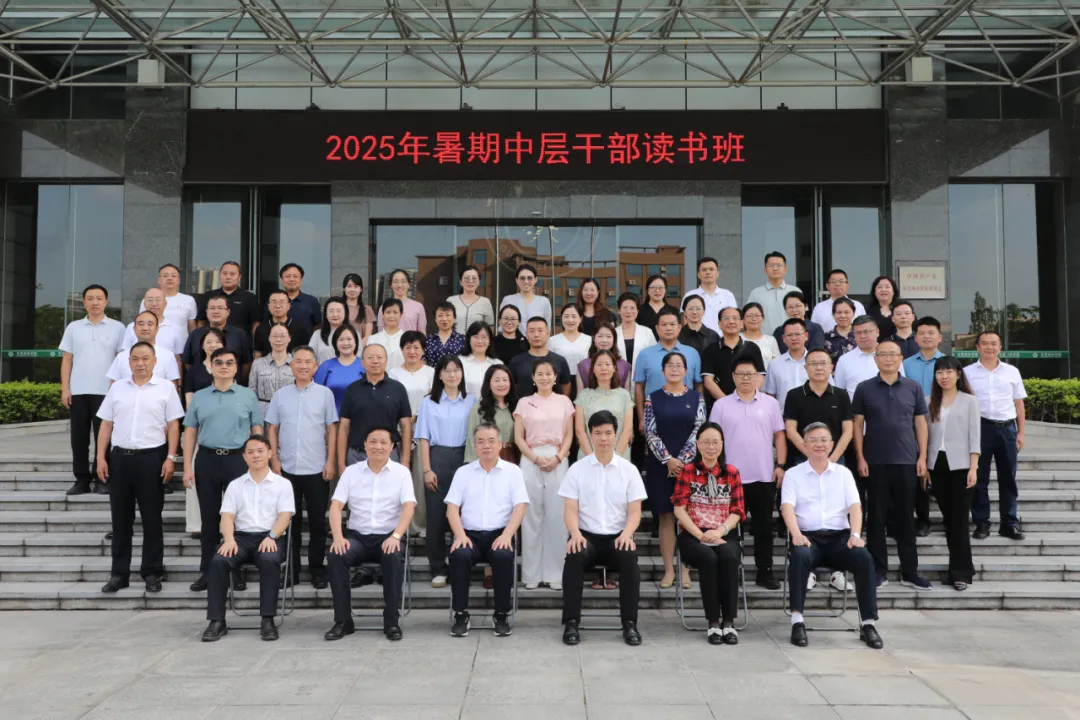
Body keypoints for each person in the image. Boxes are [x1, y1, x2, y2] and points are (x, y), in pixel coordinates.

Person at [782, 422, 882, 650]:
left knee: (864, 557)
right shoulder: (793, 474)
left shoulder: (843, 474)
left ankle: (868, 623)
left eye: (823, 440)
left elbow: (855, 506)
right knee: (799, 556)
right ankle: (797, 621)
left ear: (831, 444)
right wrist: (796, 534)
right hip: (808, 538)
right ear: (804, 445)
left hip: (839, 539)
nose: (819, 444)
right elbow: (787, 507)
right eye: (813, 440)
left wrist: (855, 534)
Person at [96, 342, 184, 594]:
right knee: (120, 520)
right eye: (135, 358)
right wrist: (101, 457)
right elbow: (106, 424)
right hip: (120, 459)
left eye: (145, 358)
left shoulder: (166, 388)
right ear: (129, 362)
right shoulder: (117, 388)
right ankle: (119, 574)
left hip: (152, 459)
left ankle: (152, 572)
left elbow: (174, 425)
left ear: (155, 361)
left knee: (152, 519)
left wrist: (170, 457)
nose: (140, 363)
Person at [560, 410, 646, 647]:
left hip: (618, 537)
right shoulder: (577, 469)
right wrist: (575, 534)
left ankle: (630, 623)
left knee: (629, 560)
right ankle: (571, 622)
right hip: (586, 536)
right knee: (574, 555)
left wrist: (627, 534)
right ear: (591, 435)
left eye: (608, 433)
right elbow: (570, 510)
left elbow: (635, 512)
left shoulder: (629, 470)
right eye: (598, 433)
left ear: (616, 434)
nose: (603, 438)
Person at [323, 426, 415, 642]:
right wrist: (338, 537)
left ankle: (391, 621)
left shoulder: (402, 473)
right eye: (373, 441)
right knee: (336, 555)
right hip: (357, 537)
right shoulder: (351, 472)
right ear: (364, 445)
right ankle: (343, 621)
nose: (378, 446)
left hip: (389, 536)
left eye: (383, 442)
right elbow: (336, 506)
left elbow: (409, 508)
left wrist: (396, 536)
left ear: (392, 447)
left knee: (393, 556)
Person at [183, 348, 264, 592]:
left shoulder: (248, 395)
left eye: (230, 363)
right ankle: (208, 571)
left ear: (237, 368)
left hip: (237, 461)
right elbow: (190, 433)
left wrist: (260, 463)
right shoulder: (200, 397)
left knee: (237, 519)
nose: (224, 367)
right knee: (209, 520)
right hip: (207, 459)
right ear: (210, 366)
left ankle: (234, 569)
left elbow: (256, 430)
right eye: (219, 362)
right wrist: (187, 467)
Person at [852, 339, 931, 590]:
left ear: (900, 359)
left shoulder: (913, 387)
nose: (888, 358)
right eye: (883, 354)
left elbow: (920, 423)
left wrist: (922, 457)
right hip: (874, 462)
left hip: (906, 461)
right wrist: (860, 457)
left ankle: (910, 572)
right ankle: (878, 570)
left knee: (906, 518)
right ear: (876, 359)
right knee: (876, 518)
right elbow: (857, 425)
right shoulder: (864, 388)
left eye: (893, 354)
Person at [201, 435, 295, 642]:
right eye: (251, 452)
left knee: (269, 560)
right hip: (240, 538)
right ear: (244, 456)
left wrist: (272, 536)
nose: (256, 455)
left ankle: (267, 619)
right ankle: (216, 621)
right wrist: (228, 539)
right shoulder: (235, 485)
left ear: (270, 453)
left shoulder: (283, 484)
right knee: (218, 561)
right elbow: (227, 517)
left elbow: (285, 517)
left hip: (270, 536)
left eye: (260, 451)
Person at [446, 422, 530, 638]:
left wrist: (507, 535)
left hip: (500, 533)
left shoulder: (513, 472)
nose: (486, 446)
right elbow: (452, 508)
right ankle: (460, 614)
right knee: (459, 555)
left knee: (503, 556)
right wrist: (460, 535)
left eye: (491, 441)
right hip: (469, 535)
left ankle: (501, 615)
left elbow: (520, 506)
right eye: (481, 442)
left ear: (500, 444)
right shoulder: (463, 472)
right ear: (474, 446)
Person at [266, 346, 338, 590]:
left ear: (315, 367)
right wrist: (274, 460)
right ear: (292, 365)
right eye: (299, 361)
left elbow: (332, 429)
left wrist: (330, 461)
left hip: (317, 467)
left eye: (308, 362)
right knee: (290, 524)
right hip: (287, 469)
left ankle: (317, 569)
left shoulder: (325, 394)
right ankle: (292, 570)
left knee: (317, 523)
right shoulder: (280, 395)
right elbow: (272, 428)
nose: (303, 366)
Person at [711, 357, 786, 589]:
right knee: (730, 530)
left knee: (764, 528)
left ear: (759, 377)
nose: (746, 378)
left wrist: (781, 465)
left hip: (763, 476)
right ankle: (731, 571)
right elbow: (713, 439)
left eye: (750, 374)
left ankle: (765, 572)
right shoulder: (721, 405)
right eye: (741, 374)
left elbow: (779, 436)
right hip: (730, 478)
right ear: (733, 377)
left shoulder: (770, 404)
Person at [672, 422, 745, 644]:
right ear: (698, 444)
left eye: (715, 442)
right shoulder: (688, 472)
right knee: (708, 558)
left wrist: (720, 530)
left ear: (722, 444)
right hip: (693, 535)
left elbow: (737, 510)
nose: (711, 447)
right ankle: (713, 622)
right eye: (706, 442)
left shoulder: (731, 473)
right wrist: (700, 535)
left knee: (729, 557)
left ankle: (729, 622)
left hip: (724, 534)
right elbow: (679, 509)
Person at [645, 351, 705, 589]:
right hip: (661, 467)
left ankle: (685, 569)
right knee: (666, 517)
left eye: (679, 365)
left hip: (689, 467)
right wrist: (668, 460)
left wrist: (682, 461)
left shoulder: (697, 398)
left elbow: (699, 431)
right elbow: (650, 432)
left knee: (687, 517)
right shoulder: (652, 398)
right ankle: (669, 569)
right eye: (669, 365)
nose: (674, 369)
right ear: (663, 371)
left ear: (686, 371)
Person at [514, 358, 575, 590]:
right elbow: (518, 437)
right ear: (533, 377)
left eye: (549, 373)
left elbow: (569, 435)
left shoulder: (564, 402)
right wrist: (535, 458)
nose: (544, 377)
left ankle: (555, 573)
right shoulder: (524, 403)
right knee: (531, 516)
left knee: (557, 516)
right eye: (540, 374)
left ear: (555, 376)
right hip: (531, 458)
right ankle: (531, 574)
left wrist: (558, 458)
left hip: (558, 457)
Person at [59, 284, 126, 496]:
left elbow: (122, 360)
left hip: (106, 392)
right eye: (90, 298)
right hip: (78, 391)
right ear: (84, 302)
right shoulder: (74, 327)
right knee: (78, 438)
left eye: (99, 298)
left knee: (104, 438)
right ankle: (81, 480)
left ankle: (102, 479)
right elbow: (67, 359)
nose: (95, 302)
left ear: (106, 302)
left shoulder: (118, 328)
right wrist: (65, 388)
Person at [416, 355, 476, 589]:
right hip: (437, 457)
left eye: (456, 370)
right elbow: (423, 438)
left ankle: (461, 564)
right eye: (447, 370)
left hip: (465, 458)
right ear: (439, 374)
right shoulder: (428, 403)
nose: (452, 375)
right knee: (436, 516)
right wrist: (427, 469)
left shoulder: (472, 401)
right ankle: (438, 568)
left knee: (464, 514)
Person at [963, 330, 1027, 541]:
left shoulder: (1012, 372)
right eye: (985, 343)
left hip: (1007, 429)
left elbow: (1019, 403)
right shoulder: (967, 373)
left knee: (1008, 478)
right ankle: (982, 523)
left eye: (993, 343)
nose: (989, 347)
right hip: (980, 428)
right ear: (977, 347)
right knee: (979, 479)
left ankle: (1009, 523)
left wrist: (1021, 433)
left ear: (1000, 347)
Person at [927, 356, 981, 590]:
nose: (944, 376)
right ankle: (959, 568)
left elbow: (975, 436)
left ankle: (961, 574)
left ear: (958, 374)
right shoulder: (929, 401)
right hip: (937, 465)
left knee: (959, 520)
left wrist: (974, 467)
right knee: (949, 520)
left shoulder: (969, 401)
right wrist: (925, 467)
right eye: (940, 372)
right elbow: (925, 437)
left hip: (961, 465)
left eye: (949, 371)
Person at [337, 343, 413, 469]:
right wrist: (341, 463)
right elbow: (344, 427)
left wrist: (405, 461)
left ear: (386, 361)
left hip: (390, 456)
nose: (375, 361)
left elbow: (406, 426)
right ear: (362, 362)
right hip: (357, 456)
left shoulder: (398, 389)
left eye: (379, 357)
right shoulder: (352, 389)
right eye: (370, 357)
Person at [388, 331, 434, 533]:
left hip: (424, 432)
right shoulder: (393, 373)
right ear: (401, 350)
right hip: (399, 431)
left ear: (423, 350)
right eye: (408, 347)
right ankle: (398, 523)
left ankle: (419, 524)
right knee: (398, 477)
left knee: (419, 479)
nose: (412, 351)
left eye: (416, 347)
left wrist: (418, 416)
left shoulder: (431, 373)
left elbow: (433, 400)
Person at [635, 306, 702, 436]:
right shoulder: (645, 355)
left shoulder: (692, 353)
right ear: (657, 328)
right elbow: (639, 387)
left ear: (679, 327)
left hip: (687, 415)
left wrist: (699, 414)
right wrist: (642, 418)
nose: (668, 328)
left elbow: (698, 385)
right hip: (654, 416)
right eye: (664, 325)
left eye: (672, 324)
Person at [783, 348, 853, 468]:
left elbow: (848, 431)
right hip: (803, 459)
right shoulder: (794, 395)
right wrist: (812, 456)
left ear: (831, 367)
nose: (819, 368)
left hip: (835, 459)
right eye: (813, 364)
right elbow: (791, 430)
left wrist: (832, 459)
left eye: (823, 363)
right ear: (806, 368)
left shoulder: (841, 395)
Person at [575, 350, 634, 461]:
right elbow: (580, 430)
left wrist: (616, 457)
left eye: (607, 364)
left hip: (619, 456)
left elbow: (627, 429)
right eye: (599, 364)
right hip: (588, 457)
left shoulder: (624, 395)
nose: (604, 368)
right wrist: (592, 458)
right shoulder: (583, 395)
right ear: (593, 369)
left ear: (614, 368)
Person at [834, 315, 906, 401]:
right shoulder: (844, 360)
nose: (862, 336)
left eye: (866, 331)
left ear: (877, 332)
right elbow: (838, 391)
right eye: (858, 332)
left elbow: (901, 385)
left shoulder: (892, 356)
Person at [183, 294, 253, 380]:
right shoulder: (195, 334)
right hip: (201, 385)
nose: (216, 311)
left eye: (220, 308)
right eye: (212, 308)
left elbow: (246, 363)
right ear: (207, 311)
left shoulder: (240, 334)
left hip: (231, 384)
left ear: (228, 312)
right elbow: (188, 362)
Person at [106, 311, 181, 385]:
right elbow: (113, 387)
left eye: (150, 324)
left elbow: (172, 388)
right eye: (141, 324)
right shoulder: (122, 357)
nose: (145, 328)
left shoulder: (168, 356)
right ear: (134, 329)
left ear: (157, 329)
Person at [702, 306, 758, 403]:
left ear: (742, 323)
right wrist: (728, 403)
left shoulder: (752, 348)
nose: (731, 322)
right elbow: (708, 381)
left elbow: (759, 376)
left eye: (735, 318)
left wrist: (747, 398)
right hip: (720, 404)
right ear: (719, 324)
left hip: (749, 403)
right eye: (726, 318)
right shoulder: (710, 350)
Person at [509, 317, 572, 397]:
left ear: (548, 334)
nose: (536, 335)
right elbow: (513, 387)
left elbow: (565, 386)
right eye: (532, 331)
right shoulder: (516, 361)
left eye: (540, 330)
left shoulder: (560, 360)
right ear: (526, 334)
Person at [196, 261, 260, 333]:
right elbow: (201, 322)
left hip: (240, 339)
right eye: (225, 273)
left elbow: (255, 324)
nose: (228, 277)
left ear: (239, 277)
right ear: (220, 275)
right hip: (213, 338)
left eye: (232, 274)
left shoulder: (249, 297)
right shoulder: (208, 296)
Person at [313, 325, 364, 414]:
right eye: (341, 339)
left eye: (349, 339)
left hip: (360, 417)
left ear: (356, 342)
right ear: (335, 343)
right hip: (332, 418)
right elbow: (316, 394)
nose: (345, 343)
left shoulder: (364, 365)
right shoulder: (326, 366)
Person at [746, 251, 801, 334]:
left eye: (779, 265)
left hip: (790, 338)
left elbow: (802, 317)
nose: (775, 268)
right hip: (765, 338)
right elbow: (748, 318)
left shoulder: (795, 291)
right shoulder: (756, 293)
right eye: (771, 265)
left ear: (785, 269)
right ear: (765, 270)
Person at [140, 263, 198, 340]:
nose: (170, 278)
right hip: (154, 343)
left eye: (173, 276)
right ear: (159, 280)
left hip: (181, 345)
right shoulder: (148, 300)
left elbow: (192, 328)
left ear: (179, 280)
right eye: (165, 276)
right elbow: (141, 324)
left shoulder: (189, 300)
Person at [764, 318, 813, 411]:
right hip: (783, 416)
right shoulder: (775, 364)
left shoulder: (817, 362)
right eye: (789, 335)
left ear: (806, 336)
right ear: (783, 339)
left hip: (812, 415)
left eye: (797, 334)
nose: (794, 338)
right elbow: (770, 396)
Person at [125, 287, 185, 360]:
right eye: (150, 300)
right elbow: (126, 355)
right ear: (144, 304)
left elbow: (178, 359)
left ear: (165, 303)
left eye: (158, 300)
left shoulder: (176, 329)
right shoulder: (132, 327)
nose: (154, 304)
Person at [683, 257, 738, 335]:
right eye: (704, 270)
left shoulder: (728, 295)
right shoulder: (689, 295)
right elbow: (685, 320)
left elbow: (734, 319)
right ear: (698, 275)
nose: (708, 272)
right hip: (696, 339)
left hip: (722, 339)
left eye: (711, 269)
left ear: (717, 273)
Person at [248, 324, 294, 417]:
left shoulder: (296, 364)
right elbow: (251, 392)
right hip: (263, 414)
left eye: (282, 336)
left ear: (289, 338)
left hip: (289, 412)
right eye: (275, 336)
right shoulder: (258, 363)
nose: (278, 340)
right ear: (269, 338)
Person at [253, 290, 310, 357]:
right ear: (269, 306)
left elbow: (304, 355)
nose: (278, 306)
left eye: (282, 302)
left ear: (288, 306)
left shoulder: (300, 329)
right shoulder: (261, 329)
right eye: (274, 302)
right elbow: (258, 354)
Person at [577, 323, 631, 393]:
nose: (604, 340)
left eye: (608, 336)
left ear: (614, 339)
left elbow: (627, 395)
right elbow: (580, 394)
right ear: (593, 338)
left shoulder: (624, 365)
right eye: (600, 336)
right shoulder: (583, 365)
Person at [547, 305, 591, 390]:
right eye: (566, 316)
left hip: (584, 382)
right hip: (559, 382)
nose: (570, 320)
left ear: (580, 319)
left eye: (574, 316)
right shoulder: (552, 340)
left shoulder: (589, 340)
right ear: (561, 318)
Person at [268, 263, 322, 330]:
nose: (292, 279)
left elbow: (318, 326)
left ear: (301, 280)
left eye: (295, 276)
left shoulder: (312, 301)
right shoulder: (273, 301)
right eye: (288, 276)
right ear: (281, 280)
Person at [615, 292, 656, 381]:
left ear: (637, 311)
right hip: (617, 379)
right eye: (625, 308)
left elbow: (653, 357)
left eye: (632, 308)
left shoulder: (647, 332)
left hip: (643, 379)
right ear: (619, 310)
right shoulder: (613, 333)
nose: (628, 311)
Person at [810, 269, 866, 333]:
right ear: (827, 286)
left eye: (841, 281)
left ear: (848, 285)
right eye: (833, 282)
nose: (837, 284)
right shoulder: (819, 307)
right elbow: (813, 331)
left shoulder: (858, 305)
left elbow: (865, 327)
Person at [903, 316, 946, 397]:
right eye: (921, 333)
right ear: (916, 338)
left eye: (931, 333)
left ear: (940, 338)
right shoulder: (905, 364)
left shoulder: (948, 363)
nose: (926, 336)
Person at [458, 321, 502, 398]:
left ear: (489, 340)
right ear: (469, 339)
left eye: (484, 337)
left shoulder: (498, 364)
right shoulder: (459, 362)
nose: (480, 341)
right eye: (476, 337)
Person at [500, 263, 552, 328]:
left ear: (535, 279)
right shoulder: (508, 300)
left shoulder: (544, 302)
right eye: (522, 278)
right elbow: (502, 327)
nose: (526, 281)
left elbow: (547, 328)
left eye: (530, 278)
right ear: (517, 280)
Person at [447, 264, 494, 335]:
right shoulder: (451, 300)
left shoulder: (485, 302)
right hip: (454, 341)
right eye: (466, 278)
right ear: (460, 281)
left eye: (474, 278)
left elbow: (490, 327)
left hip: (477, 341)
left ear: (479, 281)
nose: (470, 281)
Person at [185, 329, 223, 405]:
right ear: (202, 345)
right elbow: (189, 399)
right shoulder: (193, 371)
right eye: (209, 342)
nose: (213, 345)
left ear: (223, 345)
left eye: (218, 342)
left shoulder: (230, 368)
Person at [368, 298, 407, 371]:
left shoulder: (407, 339)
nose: (391, 316)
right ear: (383, 315)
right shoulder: (373, 339)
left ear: (401, 315)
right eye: (388, 312)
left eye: (395, 312)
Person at [309, 297, 350, 364]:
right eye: (331, 311)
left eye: (338, 311)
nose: (335, 314)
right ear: (325, 314)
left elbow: (358, 358)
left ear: (345, 313)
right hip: (323, 370)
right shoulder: (317, 334)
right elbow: (310, 357)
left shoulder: (353, 334)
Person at [740, 302, 781, 368]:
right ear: (743, 320)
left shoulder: (771, 340)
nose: (754, 319)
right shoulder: (737, 338)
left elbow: (777, 365)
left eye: (757, 315)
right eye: (749, 316)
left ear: (763, 318)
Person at [678, 295, 720, 359]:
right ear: (684, 312)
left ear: (703, 311)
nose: (694, 312)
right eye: (690, 309)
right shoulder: (678, 335)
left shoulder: (713, 336)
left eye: (698, 308)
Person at [425, 301, 466, 366]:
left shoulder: (463, 339)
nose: (444, 319)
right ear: (435, 319)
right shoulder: (428, 340)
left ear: (454, 318)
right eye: (440, 315)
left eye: (447, 315)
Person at [823, 298, 857, 364]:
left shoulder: (861, 334)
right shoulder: (825, 337)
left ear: (854, 313)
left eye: (847, 312)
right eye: (839, 312)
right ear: (833, 314)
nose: (843, 316)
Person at [342, 273, 375, 340]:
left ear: (361, 289)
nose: (352, 289)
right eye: (349, 286)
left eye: (356, 286)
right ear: (344, 289)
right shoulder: (339, 308)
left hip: (361, 346)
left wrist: (358, 346)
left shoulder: (367, 309)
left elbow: (368, 336)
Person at [637, 274, 670, 340]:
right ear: (647, 290)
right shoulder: (639, 311)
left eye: (660, 287)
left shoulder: (673, 311)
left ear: (665, 290)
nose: (657, 290)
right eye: (653, 287)